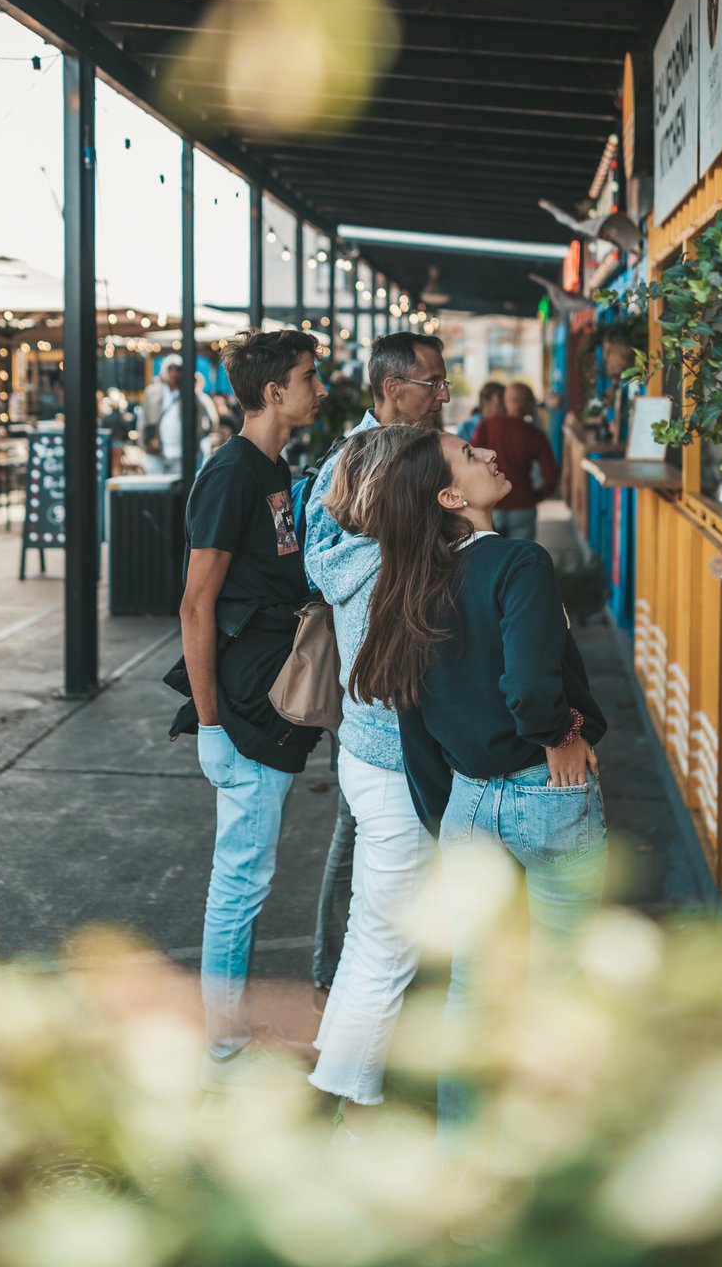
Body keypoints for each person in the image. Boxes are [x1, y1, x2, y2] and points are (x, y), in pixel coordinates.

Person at [347, 426, 607, 1129]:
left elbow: (413, 724)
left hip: (466, 802)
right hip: (545, 795)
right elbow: (527, 687)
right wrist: (558, 732)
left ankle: (463, 1162)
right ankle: (552, 1154)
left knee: (472, 988)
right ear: (452, 495)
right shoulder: (518, 563)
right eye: (471, 455)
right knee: (562, 982)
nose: (491, 453)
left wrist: (453, 809)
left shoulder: (409, 585)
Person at [166, 329, 328, 1090]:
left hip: (271, 698)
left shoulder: (273, 466)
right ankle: (222, 1048)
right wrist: (209, 727)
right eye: (309, 377)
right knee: (241, 879)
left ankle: (228, 1033)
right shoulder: (230, 474)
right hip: (244, 710)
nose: (320, 389)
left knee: (250, 875)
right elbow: (196, 604)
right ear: (272, 393)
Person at [304, 332, 452, 991]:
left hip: (414, 685)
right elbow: (324, 563)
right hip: (377, 692)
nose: (445, 394)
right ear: (392, 389)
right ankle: (344, 973)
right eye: (433, 383)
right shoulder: (349, 463)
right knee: (369, 833)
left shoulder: (424, 452)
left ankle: (355, 971)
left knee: (374, 833)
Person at [304, 428, 436, 1128]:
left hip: (359, 756)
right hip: (393, 770)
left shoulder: (342, 555)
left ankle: (334, 1055)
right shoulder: (398, 565)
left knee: (367, 933)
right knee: (390, 952)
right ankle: (351, 1109)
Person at [471, 381, 558, 541]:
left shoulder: (486, 427)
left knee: (493, 559)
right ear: (527, 404)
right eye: (532, 400)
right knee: (520, 561)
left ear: (506, 401)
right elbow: (551, 475)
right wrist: (535, 496)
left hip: (491, 505)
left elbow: (471, 463)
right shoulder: (535, 434)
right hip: (523, 506)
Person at [141, 353, 217, 476]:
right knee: (155, 490)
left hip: (182, 455)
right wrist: (145, 443)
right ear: (165, 370)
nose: (174, 373)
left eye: (178, 369)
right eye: (170, 368)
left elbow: (208, 421)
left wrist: (196, 443)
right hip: (156, 453)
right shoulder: (152, 392)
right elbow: (143, 420)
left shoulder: (193, 395)